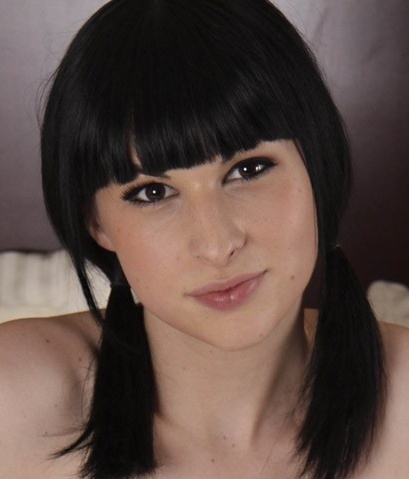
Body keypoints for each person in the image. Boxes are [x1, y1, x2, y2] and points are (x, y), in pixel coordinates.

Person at [1, 0, 409, 478]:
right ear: (97, 224)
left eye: (248, 170)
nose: (217, 245)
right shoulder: (17, 400)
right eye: (153, 193)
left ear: (317, 166)